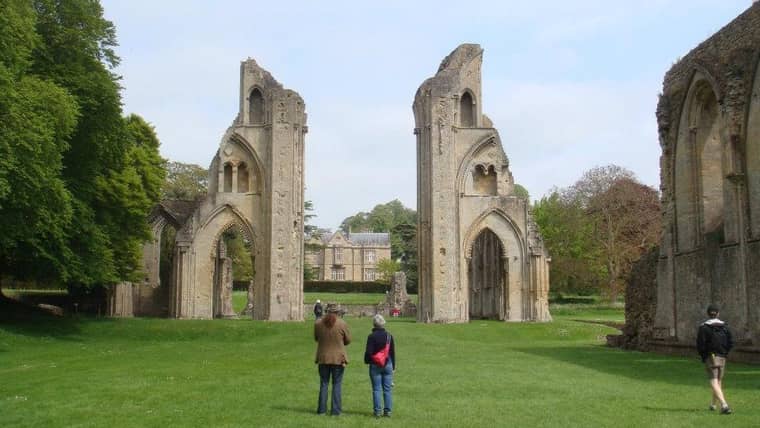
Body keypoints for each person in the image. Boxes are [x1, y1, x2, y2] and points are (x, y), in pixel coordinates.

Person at [696, 304, 734, 415]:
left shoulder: (703, 327)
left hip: (710, 356)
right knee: (719, 381)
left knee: (713, 381)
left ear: (708, 314)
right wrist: (725, 353)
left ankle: (724, 405)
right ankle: (713, 404)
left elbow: (700, 344)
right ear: (718, 313)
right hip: (722, 356)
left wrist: (704, 356)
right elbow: (731, 342)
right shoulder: (725, 327)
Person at [314, 303, 351, 416]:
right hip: (338, 358)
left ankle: (322, 410)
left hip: (323, 357)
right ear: (338, 312)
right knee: (337, 384)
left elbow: (316, 338)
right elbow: (348, 340)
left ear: (326, 311)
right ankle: (335, 411)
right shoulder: (342, 323)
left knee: (324, 384)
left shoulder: (318, 323)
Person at [364, 314, 396, 418]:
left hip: (375, 364)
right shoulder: (389, 336)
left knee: (376, 389)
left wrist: (367, 361)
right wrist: (393, 366)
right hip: (388, 364)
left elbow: (369, 352)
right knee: (387, 389)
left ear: (374, 324)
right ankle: (388, 411)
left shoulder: (371, 336)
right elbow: (392, 352)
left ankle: (377, 411)